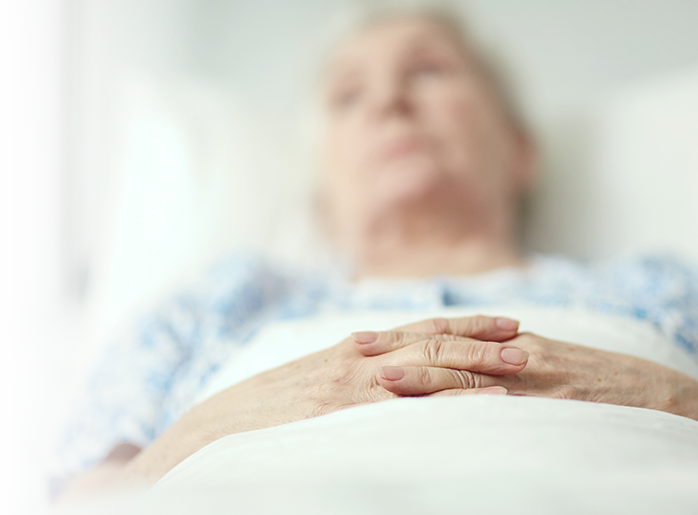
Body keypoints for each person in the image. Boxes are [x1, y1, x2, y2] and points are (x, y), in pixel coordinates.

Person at [50, 6, 698, 506]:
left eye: (429, 70)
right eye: (347, 97)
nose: (389, 102)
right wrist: (223, 423)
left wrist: (659, 392)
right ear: (324, 186)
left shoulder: (658, 288)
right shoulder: (220, 303)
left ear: (520, 148)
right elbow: (82, 502)